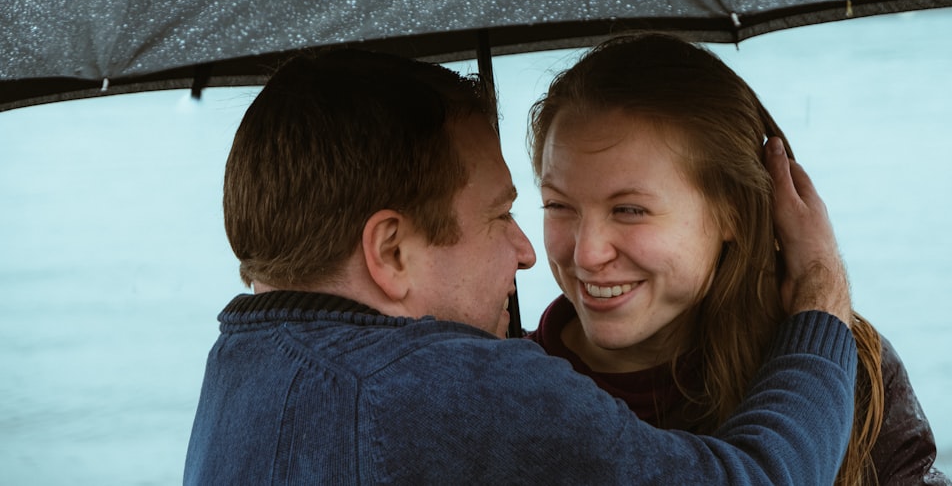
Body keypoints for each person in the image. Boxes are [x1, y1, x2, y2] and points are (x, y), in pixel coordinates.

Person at [184, 47, 857, 485]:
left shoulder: (238, 371)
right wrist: (822, 305)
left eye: (629, 209)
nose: (528, 249)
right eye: (500, 214)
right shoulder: (452, 385)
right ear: (390, 251)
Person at [528, 33, 951, 486]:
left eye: (629, 210)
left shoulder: (847, 367)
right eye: (558, 205)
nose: (587, 253)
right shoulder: (504, 395)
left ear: (732, 210)